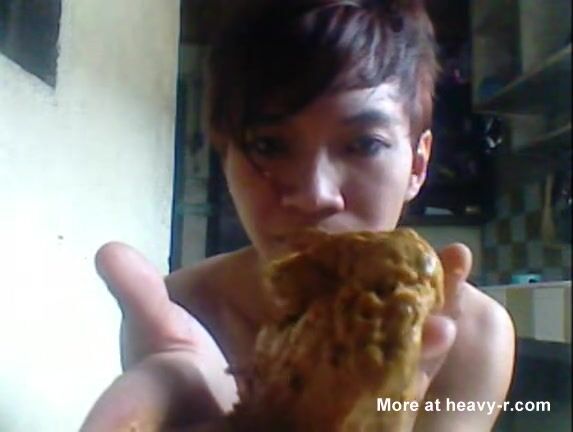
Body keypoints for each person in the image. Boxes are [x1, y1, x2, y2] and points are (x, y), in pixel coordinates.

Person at [81, 1, 515, 430]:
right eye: (269, 146)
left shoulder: (472, 337)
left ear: (417, 166)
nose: (315, 196)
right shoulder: (179, 316)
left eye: (364, 144)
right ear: (226, 160)